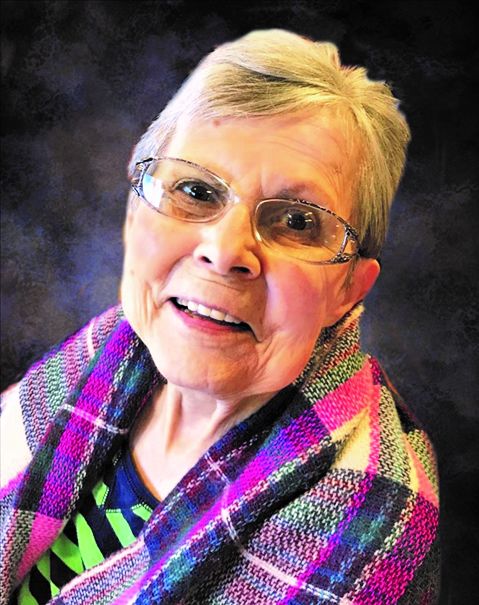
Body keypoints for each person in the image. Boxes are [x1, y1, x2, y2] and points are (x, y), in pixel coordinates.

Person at [0, 29, 439, 604]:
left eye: (298, 221)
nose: (226, 251)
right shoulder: (107, 346)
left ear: (347, 290)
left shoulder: (372, 525)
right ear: (136, 212)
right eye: (196, 190)